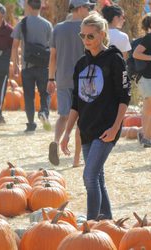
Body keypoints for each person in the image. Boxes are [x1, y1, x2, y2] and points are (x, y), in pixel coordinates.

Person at [61, 13, 130, 220]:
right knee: (98, 177)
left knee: (89, 176)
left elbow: (124, 97)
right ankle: (106, 219)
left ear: (102, 35)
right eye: (82, 36)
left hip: (107, 128)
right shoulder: (81, 64)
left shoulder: (115, 60)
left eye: (90, 36)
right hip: (87, 129)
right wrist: (66, 134)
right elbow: (76, 103)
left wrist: (116, 127)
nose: (85, 40)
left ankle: (91, 225)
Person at [47, 0, 94, 167]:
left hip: (62, 78)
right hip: (83, 78)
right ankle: (76, 159)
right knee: (81, 118)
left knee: (64, 115)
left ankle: (55, 141)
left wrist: (51, 78)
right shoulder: (88, 29)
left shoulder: (58, 28)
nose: (89, 10)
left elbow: (52, 56)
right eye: (87, 7)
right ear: (80, 8)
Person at [11, 0, 53, 133]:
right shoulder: (47, 25)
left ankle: (30, 124)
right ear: (41, 6)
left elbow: (15, 46)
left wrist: (16, 64)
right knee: (44, 92)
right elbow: (52, 47)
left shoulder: (22, 24)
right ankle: (44, 112)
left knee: (28, 96)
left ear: (28, 6)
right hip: (43, 66)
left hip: (27, 66)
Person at [133, 14, 151, 147]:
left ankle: (146, 138)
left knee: (147, 110)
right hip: (147, 80)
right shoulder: (149, 38)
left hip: (150, 80)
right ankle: (147, 137)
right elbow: (136, 54)